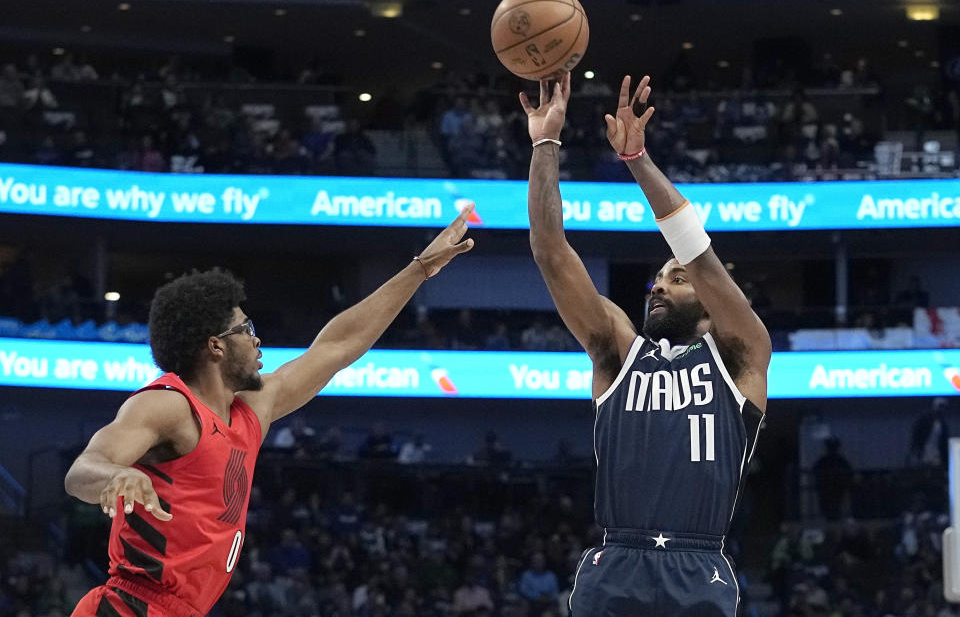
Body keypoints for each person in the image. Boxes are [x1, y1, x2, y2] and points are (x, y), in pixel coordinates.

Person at [64, 204, 476, 617]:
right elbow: (83, 470)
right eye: (247, 330)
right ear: (215, 345)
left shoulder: (252, 410)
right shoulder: (169, 405)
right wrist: (117, 475)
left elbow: (336, 347)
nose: (258, 342)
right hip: (130, 606)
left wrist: (419, 269)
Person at [521, 72, 770, 616]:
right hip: (616, 561)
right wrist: (545, 145)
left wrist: (637, 161)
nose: (659, 284)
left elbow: (700, 256)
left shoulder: (742, 353)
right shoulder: (617, 352)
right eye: (657, 278)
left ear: (708, 298)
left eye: (675, 279)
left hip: (698, 565)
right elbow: (550, 251)